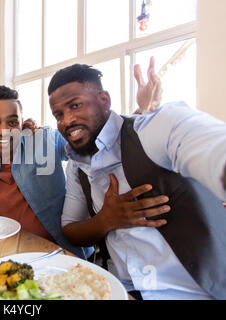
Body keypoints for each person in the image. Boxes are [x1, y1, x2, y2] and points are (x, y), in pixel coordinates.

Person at [48, 58, 226, 300]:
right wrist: (106, 220)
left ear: (104, 100)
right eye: (58, 114)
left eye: (75, 106)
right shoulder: (77, 164)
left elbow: (209, 144)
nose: (66, 121)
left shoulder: (151, 128)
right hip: (116, 289)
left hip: (193, 292)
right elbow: (70, 228)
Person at [0, 85, 93, 259]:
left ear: (21, 123)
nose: (3, 131)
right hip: (8, 254)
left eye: (12, 122)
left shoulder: (46, 140)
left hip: (61, 252)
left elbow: (88, 145)